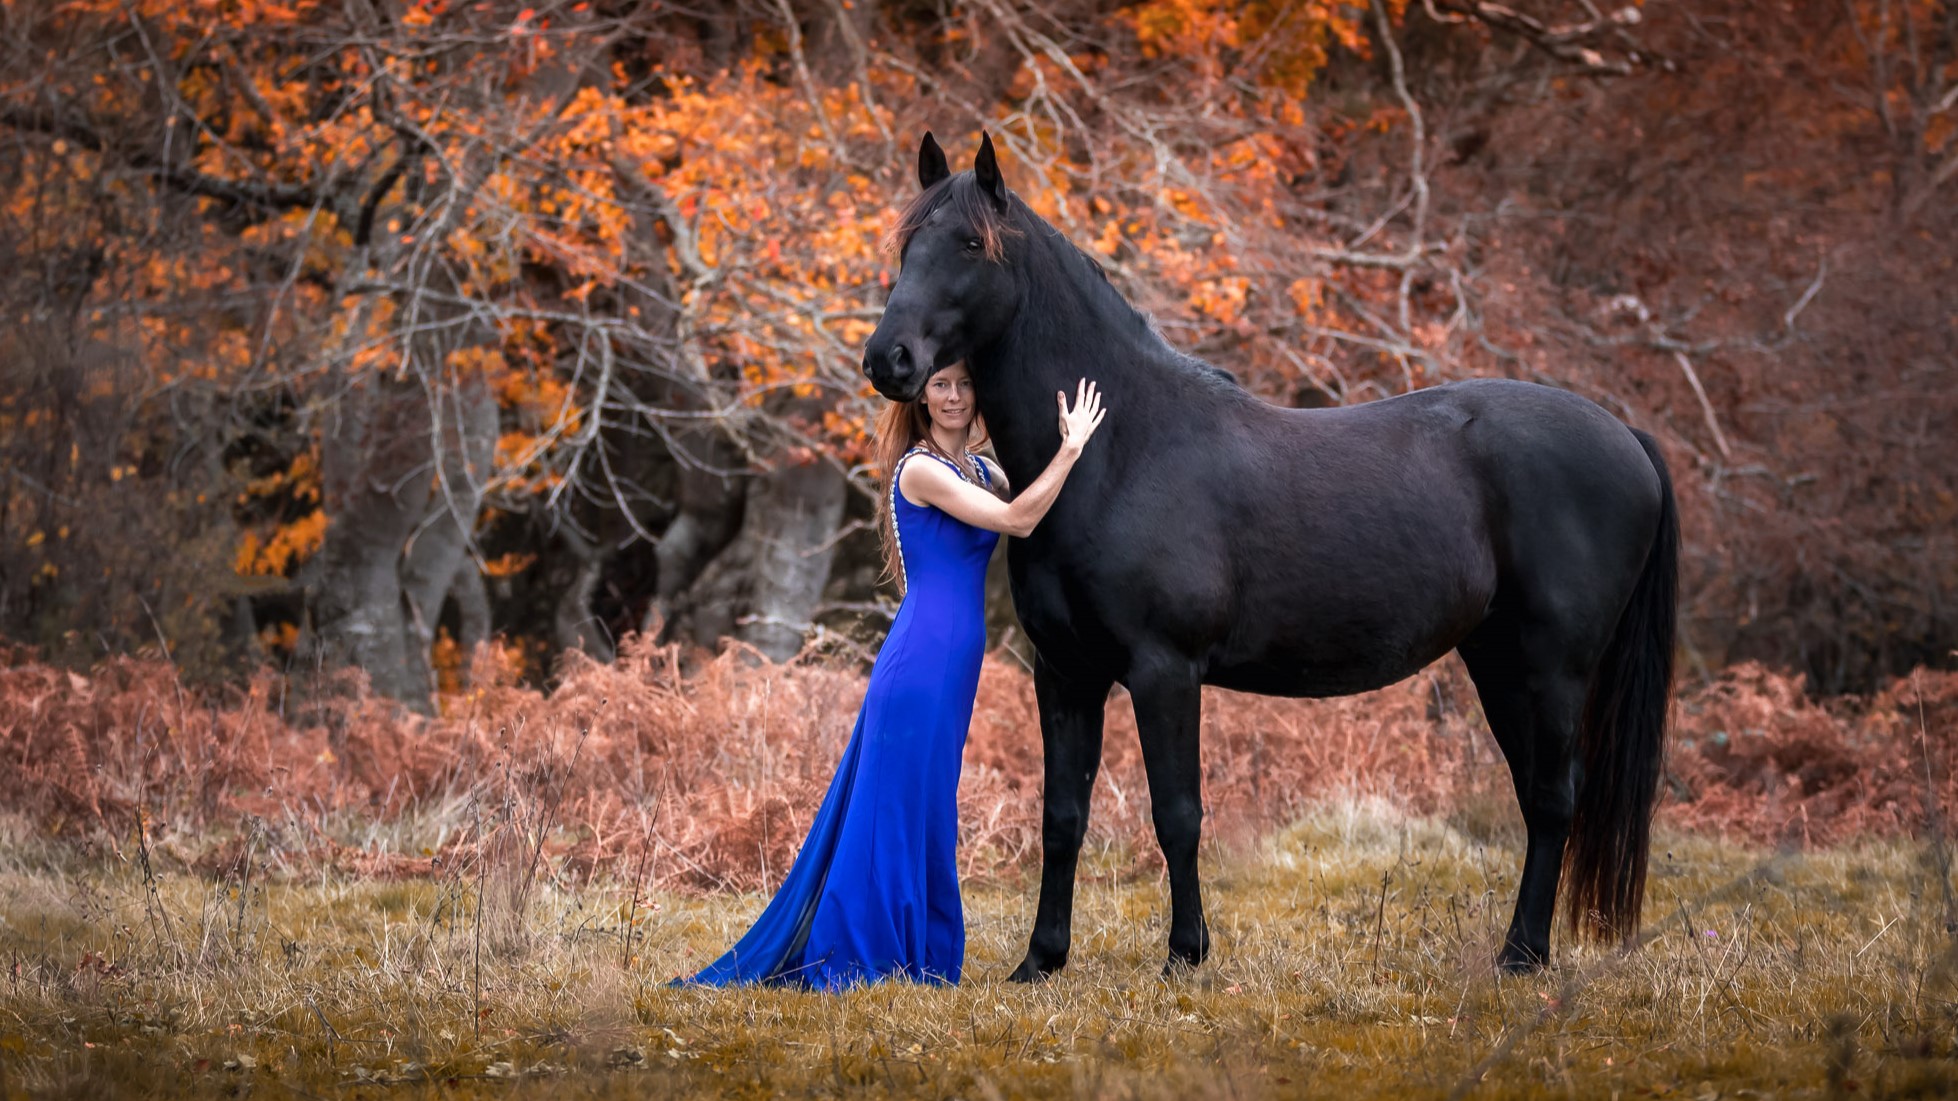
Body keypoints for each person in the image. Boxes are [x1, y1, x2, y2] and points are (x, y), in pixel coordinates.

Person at [677, 365, 1107, 989]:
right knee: (894, 806)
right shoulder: (921, 470)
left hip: (956, 664)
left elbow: (1039, 499)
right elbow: (1020, 519)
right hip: (920, 660)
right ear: (921, 395)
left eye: (964, 383)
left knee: (929, 803)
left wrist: (1066, 444)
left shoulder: (983, 472)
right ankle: (860, 951)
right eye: (941, 385)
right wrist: (1071, 447)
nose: (954, 396)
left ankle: (920, 950)